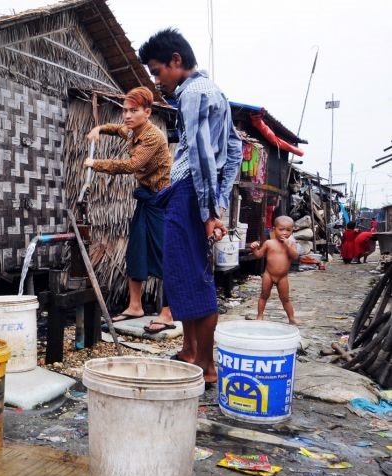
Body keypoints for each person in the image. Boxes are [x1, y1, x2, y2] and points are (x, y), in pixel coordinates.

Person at [139, 29, 242, 383]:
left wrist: (208, 211)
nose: (157, 81)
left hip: (188, 194)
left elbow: (200, 158)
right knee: (184, 274)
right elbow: (233, 152)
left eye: (157, 71)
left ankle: (206, 365)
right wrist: (219, 204)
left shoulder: (194, 94)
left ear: (176, 61)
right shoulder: (217, 94)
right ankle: (190, 352)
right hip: (193, 196)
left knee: (193, 279)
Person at [83, 87, 175, 334]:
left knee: (163, 254)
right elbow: (117, 129)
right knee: (136, 250)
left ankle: (168, 311)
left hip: (161, 201)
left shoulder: (152, 137)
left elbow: (132, 164)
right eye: (125, 110)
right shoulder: (133, 130)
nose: (127, 115)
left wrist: (96, 164)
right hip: (146, 200)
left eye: (133, 111)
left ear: (147, 112)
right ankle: (135, 306)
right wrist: (98, 128)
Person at [249, 216, 300, 325]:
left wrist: (288, 246)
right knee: (264, 295)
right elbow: (259, 255)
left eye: (288, 230)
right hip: (268, 275)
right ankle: (260, 316)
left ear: (292, 230)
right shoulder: (269, 243)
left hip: (283, 277)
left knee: (285, 299)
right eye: (281, 229)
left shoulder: (291, 243)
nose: (285, 233)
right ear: (274, 229)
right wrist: (254, 249)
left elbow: (295, 256)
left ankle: (291, 318)